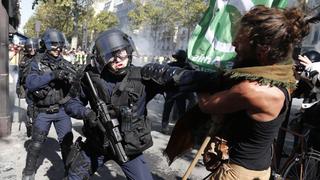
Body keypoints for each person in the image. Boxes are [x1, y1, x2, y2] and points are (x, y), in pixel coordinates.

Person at [63, 28, 218, 180]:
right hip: (97, 145)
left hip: (128, 149)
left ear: (129, 51)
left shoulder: (143, 76)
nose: (118, 59)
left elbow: (176, 77)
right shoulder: (91, 78)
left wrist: (218, 79)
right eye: (112, 55)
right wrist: (87, 113)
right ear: (103, 58)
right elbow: (71, 103)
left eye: (122, 53)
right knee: (73, 176)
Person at [197, 6, 310, 180]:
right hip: (259, 170)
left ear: (262, 50)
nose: (234, 43)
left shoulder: (251, 90)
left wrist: (199, 77)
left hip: (236, 174)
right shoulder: (284, 75)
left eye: (240, 41)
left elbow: (207, 105)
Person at [22, 29, 76, 180]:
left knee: (67, 144)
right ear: (46, 45)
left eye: (60, 46)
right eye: (54, 46)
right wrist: (53, 75)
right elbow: (31, 83)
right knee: (36, 145)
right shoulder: (36, 63)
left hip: (62, 111)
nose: (58, 49)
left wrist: (73, 80)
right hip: (43, 111)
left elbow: (77, 86)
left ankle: (71, 173)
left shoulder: (66, 64)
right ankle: (28, 172)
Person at [161, 49, 196, 134]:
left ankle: (164, 127)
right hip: (181, 93)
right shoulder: (188, 67)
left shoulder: (170, 65)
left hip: (170, 92)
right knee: (181, 112)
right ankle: (180, 129)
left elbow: (163, 75)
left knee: (167, 110)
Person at [293, 50, 320, 150]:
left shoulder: (316, 77)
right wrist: (296, 78)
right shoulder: (304, 79)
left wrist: (310, 70)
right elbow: (294, 93)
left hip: (317, 124)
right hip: (306, 120)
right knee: (299, 151)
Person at [16, 38, 39, 137]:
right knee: (31, 106)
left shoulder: (40, 58)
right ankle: (30, 125)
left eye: (34, 47)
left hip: (39, 86)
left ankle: (37, 126)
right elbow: (20, 75)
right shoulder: (24, 59)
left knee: (38, 107)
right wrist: (18, 86)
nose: (32, 50)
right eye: (30, 48)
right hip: (28, 87)